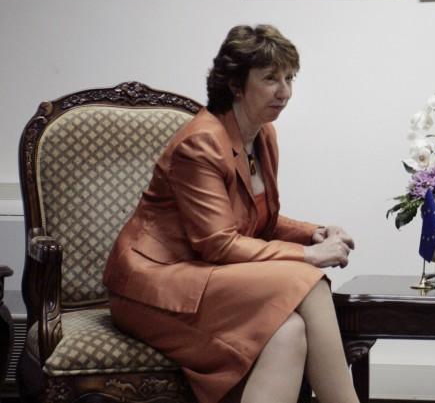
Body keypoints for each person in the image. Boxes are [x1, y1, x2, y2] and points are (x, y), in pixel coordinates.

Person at [104, 25, 359, 403]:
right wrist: (309, 256)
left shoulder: (263, 134)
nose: (284, 91)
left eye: (289, 78)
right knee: (309, 280)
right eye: (270, 79)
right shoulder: (202, 142)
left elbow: (257, 221)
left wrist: (313, 233)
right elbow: (218, 243)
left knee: (287, 331)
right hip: (156, 285)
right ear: (237, 85)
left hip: (207, 277)